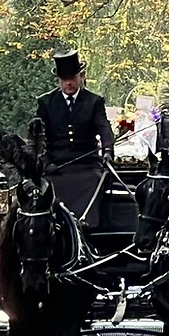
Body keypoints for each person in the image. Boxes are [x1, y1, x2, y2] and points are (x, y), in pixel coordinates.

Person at [35, 47, 114, 226]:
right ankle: (55, 224)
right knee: (47, 186)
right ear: (58, 80)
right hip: (57, 166)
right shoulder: (45, 103)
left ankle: (86, 224)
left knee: (95, 180)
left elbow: (104, 128)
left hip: (87, 165)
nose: (68, 84)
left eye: (72, 79)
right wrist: (46, 162)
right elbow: (39, 137)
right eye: (64, 80)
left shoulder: (94, 102)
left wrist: (108, 150)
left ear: (80, 77)